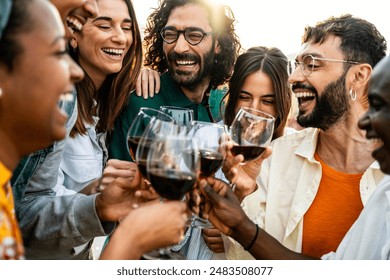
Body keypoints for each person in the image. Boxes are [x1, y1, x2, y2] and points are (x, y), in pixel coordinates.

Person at [1, 0, 187, 261]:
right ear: (72, 36)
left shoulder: (113, 102)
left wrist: (98, 191)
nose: (120, 38)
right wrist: (110, 217)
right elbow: (26, 209)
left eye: (127, 27)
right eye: (103, 24)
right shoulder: (56, 102)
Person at [192, 14, 387, 260]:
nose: (293, 78)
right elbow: (244, 263)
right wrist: (243, 194)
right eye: (297, 65)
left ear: (359, 76)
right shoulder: (273, 158)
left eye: (312, 64)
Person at [174, 46, 293, 260]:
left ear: (281, 105)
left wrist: (232, 240)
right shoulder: (205, 139)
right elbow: (170, 230)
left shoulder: (291, 153)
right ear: (233, 96)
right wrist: (193, 218)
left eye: (267, 101)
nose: (253, 111)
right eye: (245, 97)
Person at [109, 0, 241, 161]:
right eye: (170, 35)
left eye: (194, 36)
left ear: (218, 44)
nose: (179, 48)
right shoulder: (139, 104)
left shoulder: (226, 104)